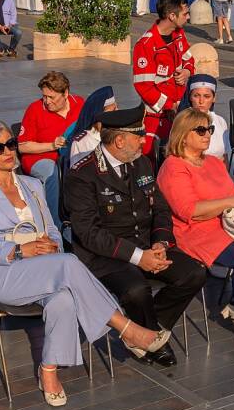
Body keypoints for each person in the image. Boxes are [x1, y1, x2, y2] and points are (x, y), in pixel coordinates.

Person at [0, 120, 169, 406]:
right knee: (69, 263)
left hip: (43, 265)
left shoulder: (32, 185)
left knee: (64, 299)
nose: (8, 151)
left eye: (11, 144)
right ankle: (127, 329)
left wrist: (52, 244)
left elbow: (53, 228)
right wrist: (19, 250)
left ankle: (49, 371)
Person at [65, 106, 205, 367]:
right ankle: (148, 338)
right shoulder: (82, 175)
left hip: (146, 245)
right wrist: (140, 257)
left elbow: (160, 207)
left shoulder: (141, 162)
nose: (144, 140)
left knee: (194, 273)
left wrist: (160, 242)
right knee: (135, 290)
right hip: (106, 256)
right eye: (138, 136)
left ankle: (148, 331)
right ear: (119, 140)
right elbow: (89, 233)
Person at [157, 109, 234, 351]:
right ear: (183, 134)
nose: (207, 134)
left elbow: (233, 191)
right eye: (200, 130)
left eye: (209, 129)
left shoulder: (212, 162)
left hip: (226, 223)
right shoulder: (174, 167)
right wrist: (231, 202)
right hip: (195, 231)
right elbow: (190, 211)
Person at [18, 71, 85, 224]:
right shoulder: (34, 109)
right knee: (52, 174)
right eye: (44, 96)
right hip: (40, 158)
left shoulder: (79, 103)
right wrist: (52, 145)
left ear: (65, 93)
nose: (47, 101)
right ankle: (55, 226)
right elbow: (22, 146)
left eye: (52, 97)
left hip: (72, 156)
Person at [133, 0, 195, 155]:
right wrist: (169, 105)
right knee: (151, 156)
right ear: (172, 16)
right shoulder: (146, 45)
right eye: (185, 14)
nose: (188, 17)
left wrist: (187, 71)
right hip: (157, 117)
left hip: (180, 110)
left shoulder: (178, 34)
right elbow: (143, 86)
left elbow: (188, 58)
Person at [176, 75, 230, 161]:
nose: (201, 101)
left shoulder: (221, 121)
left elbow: (225, 156)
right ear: (190, 97)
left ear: (214, 98)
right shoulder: (183, 121)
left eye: (207, 96)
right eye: (196, 96)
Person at [65, 86, 117, 166]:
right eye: (113, 110)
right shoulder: (82, 142)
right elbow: (77, 173)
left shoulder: (118, 134)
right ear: (99, 114)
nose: (118, 111)